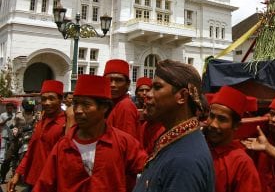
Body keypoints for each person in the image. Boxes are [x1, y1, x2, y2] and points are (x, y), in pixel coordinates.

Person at [33, 74, 147, 192]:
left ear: (104, 107)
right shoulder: (63, 146)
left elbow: (149, 170)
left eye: (86, 105)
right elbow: (44, 184)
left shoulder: (123, 143)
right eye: (76, 104)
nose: (78, 110)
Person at [133, 59, 215, 192]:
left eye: (157, 87)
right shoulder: (177, 141)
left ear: (182, 96)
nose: (148, 94)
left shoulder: (184, 161)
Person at [8, 80, 66, 192]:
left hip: (51, 185)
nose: (47, 103)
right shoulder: (41, 122)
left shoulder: (66, 124)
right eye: (44, 99)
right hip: (33, 181)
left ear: (60, 99)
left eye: (51, 98)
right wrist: (18, 173)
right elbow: (31, 150)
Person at [205, 86, 261, 192]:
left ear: (236, 125)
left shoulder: (242, 163)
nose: (213, 124)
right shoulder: (199, 146)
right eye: (211, 116)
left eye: (222, 119)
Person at [104, 59, 141, 140]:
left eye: (118, 80)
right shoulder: (110, 104)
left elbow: (126, 143)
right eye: (109, 80)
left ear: (128, 84)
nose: (112, 85)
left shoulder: (125, 106)